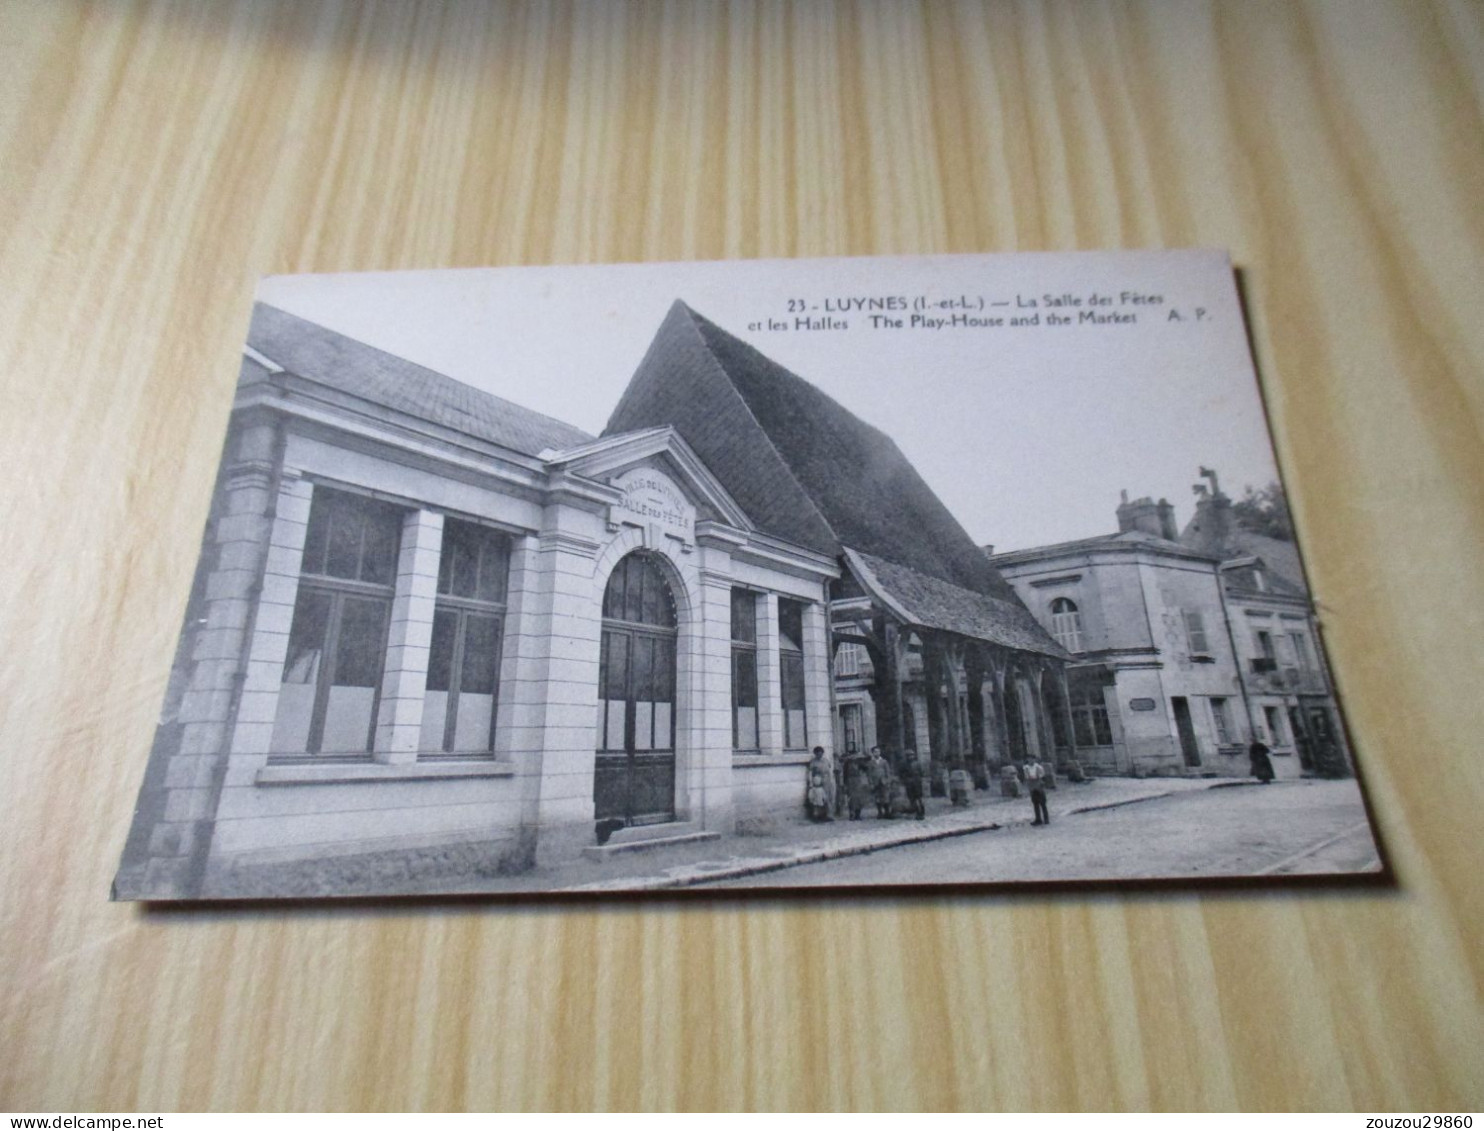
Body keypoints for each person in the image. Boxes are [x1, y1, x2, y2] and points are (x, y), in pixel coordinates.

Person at [806, 746, 836, 819]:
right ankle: (818, 815)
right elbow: (810, 772)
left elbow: (829, 771)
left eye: (821, 753)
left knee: (828, 797)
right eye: (817, 753)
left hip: (826, 781)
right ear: (815, 754)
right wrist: (811, 782)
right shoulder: (813, 762)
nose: (819, 755)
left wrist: (831, 780)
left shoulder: (826, 761)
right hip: (817, 781)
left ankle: (829, 815)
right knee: (817, 798)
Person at [844, 751, 872, 820]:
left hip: (858, 780)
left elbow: (866, 767)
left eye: (854, 755)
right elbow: (845, 774)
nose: (853, 757)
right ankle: (851, 814)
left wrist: (866, 757)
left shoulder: (859, 762)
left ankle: (858, 814)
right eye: (851, 756)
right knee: (851, 799)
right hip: (850, 781)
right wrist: (845, 783)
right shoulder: (847, 763)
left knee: (859, 798)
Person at [899, 749, 926, 820]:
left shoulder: (917, 764)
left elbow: (922, 773)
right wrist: (905, 780)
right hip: (909, 784)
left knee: (919, 798)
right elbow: (901, 774)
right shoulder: (903, 765)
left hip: (917, 783)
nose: (910, 757)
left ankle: (921, 812)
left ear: (914, 756)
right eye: (909, 755)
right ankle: (916, 812)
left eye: (912, 755)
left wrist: (919, 779)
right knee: (912, 799)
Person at [868, 746, 892, 818]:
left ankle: (887, 812)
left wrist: (888, 781)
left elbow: (888, 772)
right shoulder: (871, 763)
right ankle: (880, 812)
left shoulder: (884, 761)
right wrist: (871, 783)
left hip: (884, 782)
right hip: (875, 782)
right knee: (877, 797)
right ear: (872, 753)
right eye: (875, 752)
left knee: (885, 797)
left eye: (878, 752)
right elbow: (869, 774)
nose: (877, 753)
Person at [1025, 759, 1050, 826]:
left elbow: (1042, 775)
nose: (1031, 761)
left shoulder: (1038, 767)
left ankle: (1046, 819)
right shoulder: (1026, 767)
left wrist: (1036, 777)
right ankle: (1038, 819)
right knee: (1035, 804)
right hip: (1032, 787)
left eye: (1032, 759)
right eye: (1029, 759)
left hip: (1039, 787)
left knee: (1043, 804)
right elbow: (1027, 776)